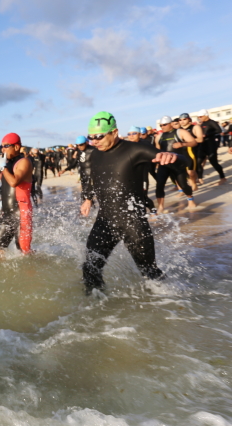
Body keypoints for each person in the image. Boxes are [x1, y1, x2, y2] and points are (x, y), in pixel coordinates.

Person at [80, 112, 189, 294]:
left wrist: (174, 157)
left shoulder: (135, 150)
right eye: (91, 137)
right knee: (90, 269)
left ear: (114, 132)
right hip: (105, 220)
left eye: (99, 136)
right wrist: (88, 199)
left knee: (149, 271)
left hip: (133, 221)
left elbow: (185, 162)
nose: (94, 141)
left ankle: (175, 302)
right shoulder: (94, 154)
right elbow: (94, 178)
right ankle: (96, 311)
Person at [0, 133, 33, 254]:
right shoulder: (7, 164)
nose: (2, 149)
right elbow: (5, 185)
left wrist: (2, 166)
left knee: (24, 253)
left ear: (16, 147)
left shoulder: (24, 162)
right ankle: (3, 273)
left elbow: (14, 182)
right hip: (7, 213)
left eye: (6, 146)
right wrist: (1, 203)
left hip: (21, 214)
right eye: (1, 146)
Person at [154, 116, 197, 211]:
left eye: (164, 124)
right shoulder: (159, 137)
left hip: (178, 164)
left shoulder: (180, 132)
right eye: (161, 125)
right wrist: (157, 162)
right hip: (164, 164)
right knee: (159, 185)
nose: (162, 127)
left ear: (171, 124)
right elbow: (157, 151)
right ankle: (160, 207)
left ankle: (190, 199)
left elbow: (194, 142)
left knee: (183, 184)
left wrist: (182, 144)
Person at [197, 109, 226, 185]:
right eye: (199, 117)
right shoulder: (202, 123)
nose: (200, 118)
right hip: (202, 145)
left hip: (211, 145)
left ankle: (223, 178)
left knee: (214, 162)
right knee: (198, 162)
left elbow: (219, 130)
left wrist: (207, 135)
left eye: (201, 116)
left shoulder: (211, 122)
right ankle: (200, 178)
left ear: (206, 115)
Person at [177, 113, 202, 189]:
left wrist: (186, 142)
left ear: (189, 119)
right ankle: (190, 184)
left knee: (191, 172)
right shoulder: (178, 131)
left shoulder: (195, 127)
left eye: (184, 119)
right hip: (181, 152)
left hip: (192, 152)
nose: (182, 121)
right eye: (180, 120)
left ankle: (194, 183)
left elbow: (200, 139)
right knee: (183, 172)